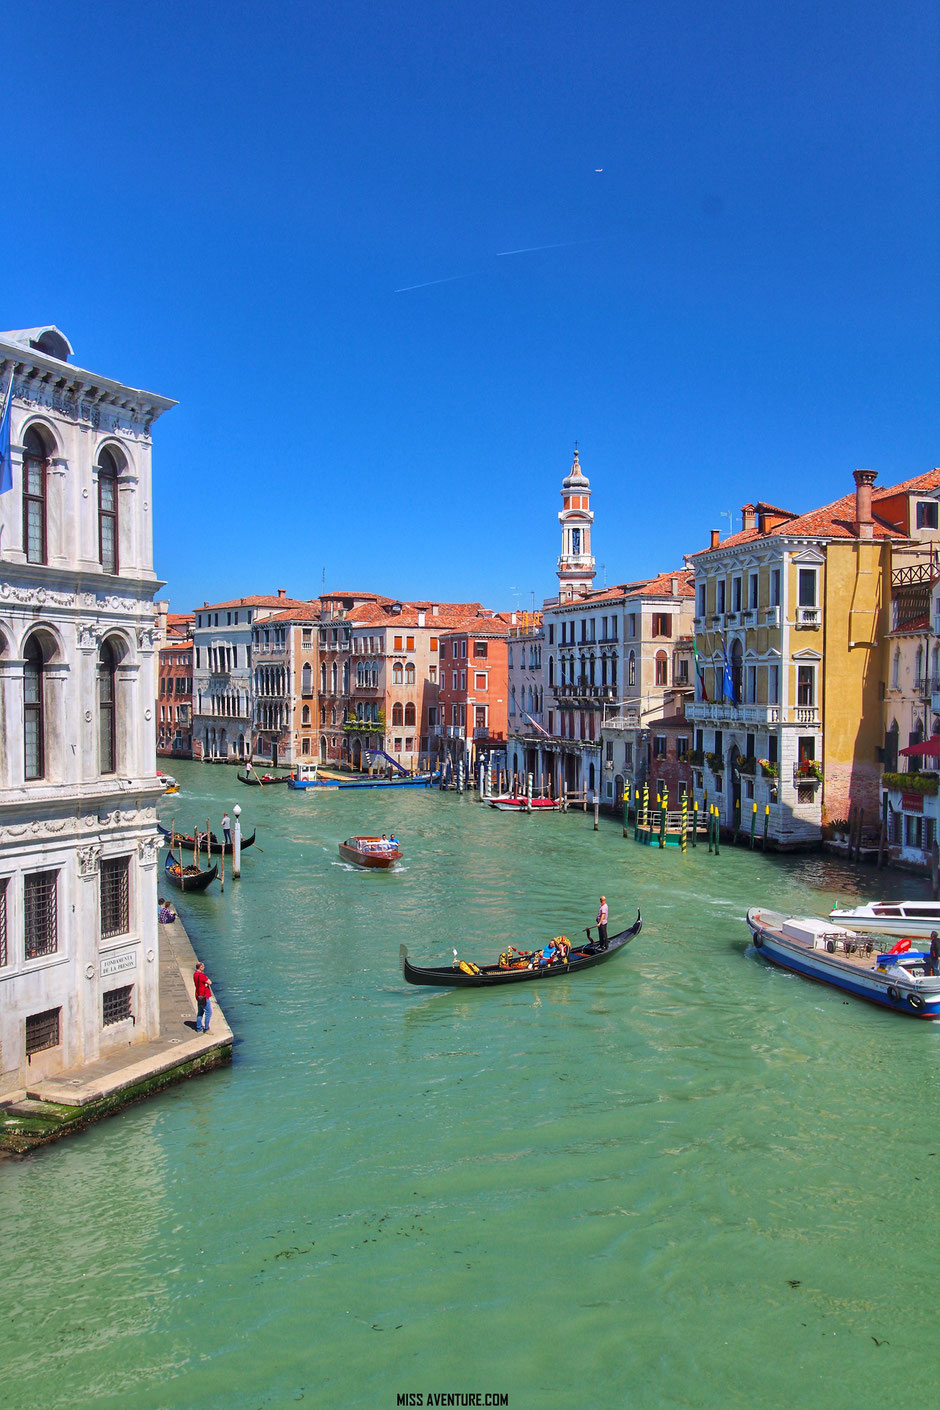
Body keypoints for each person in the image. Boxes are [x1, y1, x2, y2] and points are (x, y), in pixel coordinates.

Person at [193, 961, 213, 1034]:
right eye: (203, 966)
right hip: (204, 996)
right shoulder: (202, 976)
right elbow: (210, 982)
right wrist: (206, 983)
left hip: (198, 995)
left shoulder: (195, 974)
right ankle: (207, 1029)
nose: (204, 967)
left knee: (200, 1012)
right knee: (209, 1012)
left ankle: (199, 1028)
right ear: (200, 967)